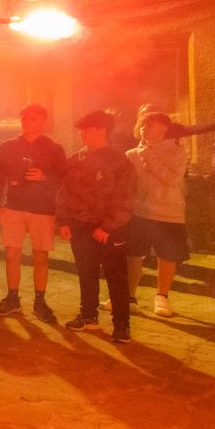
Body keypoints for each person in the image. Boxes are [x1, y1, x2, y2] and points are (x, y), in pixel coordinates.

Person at [57, 110, 137, 343]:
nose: (81, 134)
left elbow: (126, 198)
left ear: (101, 130)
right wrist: (63, 220)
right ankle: (89, 315)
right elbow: (64, 192)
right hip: (80, 227)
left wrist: (108, 227)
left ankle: (122, 326)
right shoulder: (77, 159)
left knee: (116, 277)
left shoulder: (119, 161)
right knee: (86, 273)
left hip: (109, 229)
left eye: (87, 129)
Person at [0, 104, 66, 323]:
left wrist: (44, 177)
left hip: (42, 209)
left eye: (32, 118)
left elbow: (64, 179)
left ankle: (39, 301)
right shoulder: (8, 146)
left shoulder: (54, 148)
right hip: (13, 206)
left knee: (40, 256)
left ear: (43, 121)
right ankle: (12, 298)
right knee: (11, 254)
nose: (26, 122)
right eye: (24, 118)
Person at [124, 108, 189, 317]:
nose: (144, 128)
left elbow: (172, 179)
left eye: (150, 125)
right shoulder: (132, 154)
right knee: (133, 254)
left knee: (167, 256)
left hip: (168, 212)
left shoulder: (177, 152)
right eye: (143, 124)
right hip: (140, 212)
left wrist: (149, 157)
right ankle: (129, 296)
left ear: (164, 129)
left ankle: (162, 297)